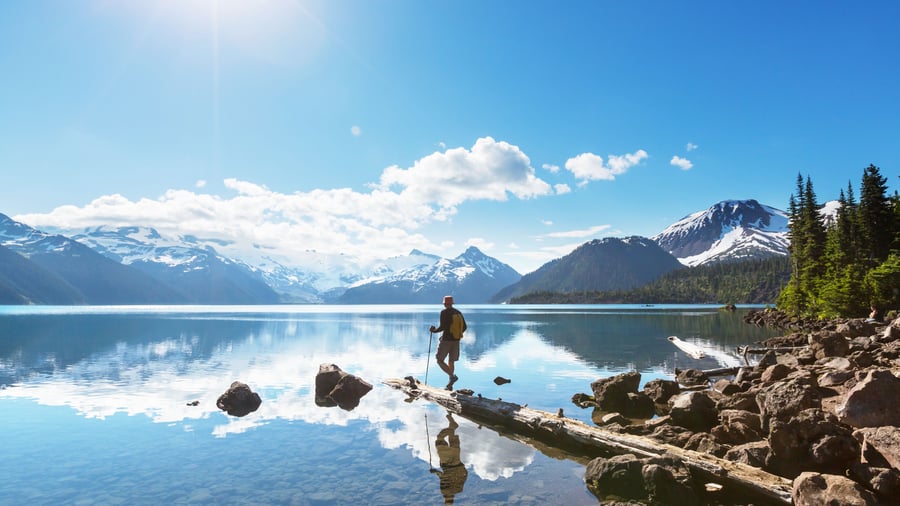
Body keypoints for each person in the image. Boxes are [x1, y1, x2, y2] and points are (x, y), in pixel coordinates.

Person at [429, 295, 466, 390]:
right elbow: (465, 327)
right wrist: (457, 334)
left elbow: (442, 327)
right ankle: (450, 384)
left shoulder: (444, 312)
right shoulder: (458, 313)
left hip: (446, 341)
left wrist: (434, 331)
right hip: (456, 340)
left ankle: (452, 376)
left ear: (445, 304)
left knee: (439, 360)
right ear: (452, 303)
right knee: (451, 361)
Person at [430, 412, 468, 504]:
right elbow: (443, 478)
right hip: (447, 463)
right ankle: (452, 427)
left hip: (458, 463)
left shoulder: (459, 489)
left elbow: (465, 474)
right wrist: (435, 471)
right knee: (439, 440)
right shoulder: (445, 491)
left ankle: (452, 426)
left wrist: (460, 468)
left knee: (454, 444)